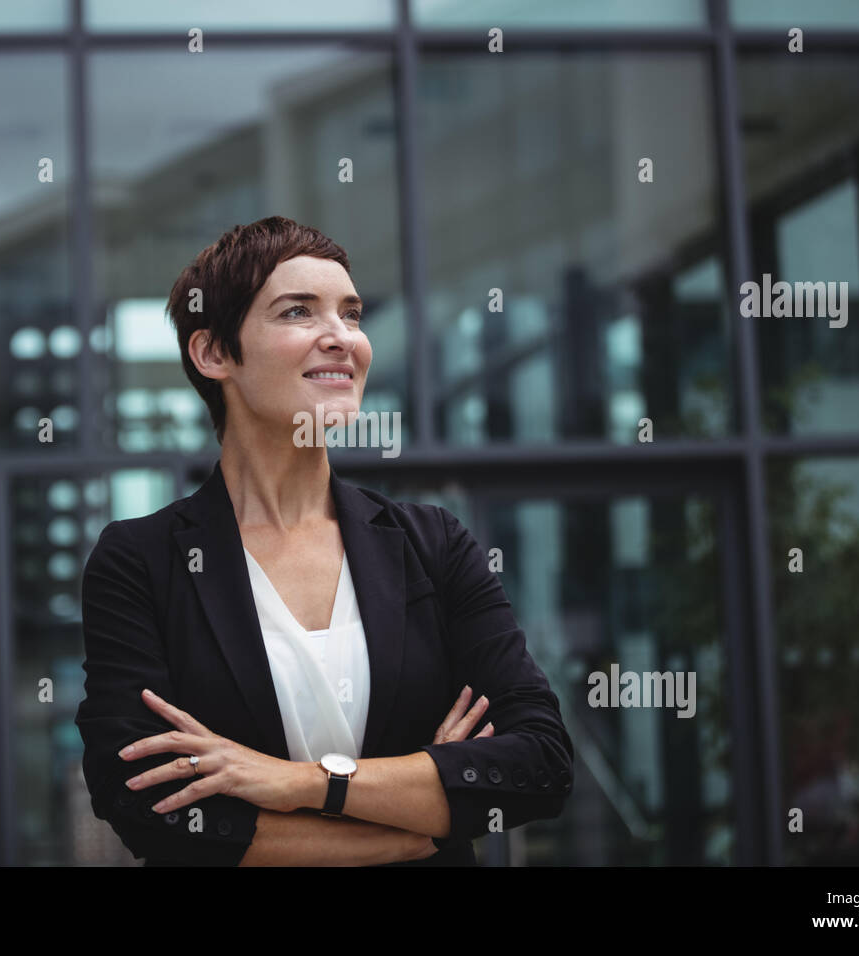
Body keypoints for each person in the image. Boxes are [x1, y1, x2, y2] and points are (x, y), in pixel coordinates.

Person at [76, 216, 573, 866]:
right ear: (214, 354)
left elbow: (539, 761)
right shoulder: (141, 562)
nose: (342, 338)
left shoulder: (432, 544)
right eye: (298, 313)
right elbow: (149, 805)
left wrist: (302, 782)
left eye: (352, 313)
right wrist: (420, 822)